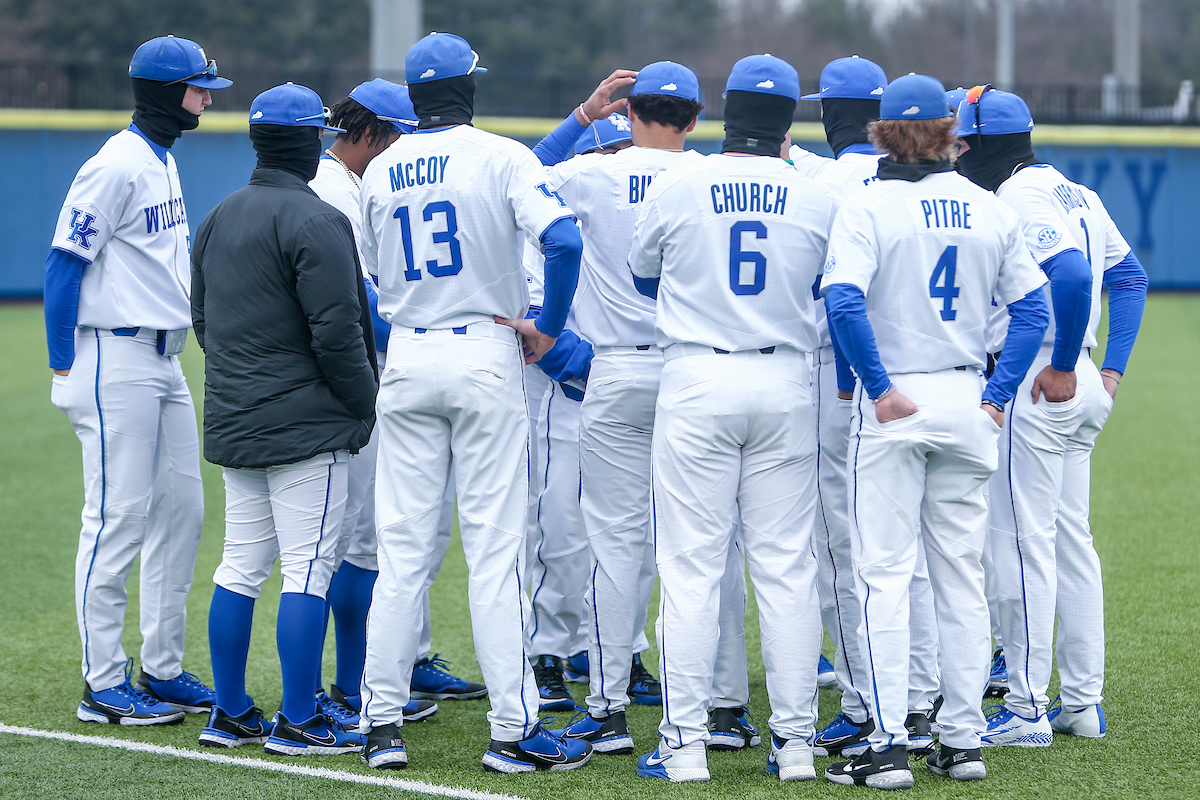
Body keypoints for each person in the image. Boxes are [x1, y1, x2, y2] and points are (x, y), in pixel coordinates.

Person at [358, 32, 588, 773]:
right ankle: (513, 730)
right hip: (484, 349)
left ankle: (381, 724)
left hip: (410, 353)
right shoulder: (502, 155)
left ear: (414, 97)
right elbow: (563, 243)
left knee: (402, 554)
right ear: (471, 88)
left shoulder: (381, 168)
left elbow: (366, 284)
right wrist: (549, 328)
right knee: (494, 556)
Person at [820, 74, 1050, 789]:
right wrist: (997, 397)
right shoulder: (987, 206)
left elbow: (844, 301)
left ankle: (889, 745)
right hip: (963, 396)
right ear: (950, 132)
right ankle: (962, 742)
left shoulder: (865, 203)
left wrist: (880, 388)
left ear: (879, 129)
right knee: (960, 579)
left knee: (885, 577)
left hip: (899, 400)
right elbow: (1034, 312)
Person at [629, 54, 837, 783]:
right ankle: (798, 745)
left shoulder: (680, 179)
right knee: (786, 569)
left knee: (690, 568)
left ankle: (685, 747)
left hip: (697, 373)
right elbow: (829, 287)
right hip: (785, 375)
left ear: (723, 113)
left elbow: (641, 271)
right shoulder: (815, 193)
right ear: (789, 122)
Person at [954, 87, 1147, 745]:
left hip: (1041, 376)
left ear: (981, 144)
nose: (956, 152)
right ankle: (1082, 703)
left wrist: (1064, 362)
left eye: (961, 141)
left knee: (1021, 543)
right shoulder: (1073, 192)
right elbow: (1131, 277)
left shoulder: (1019, 197)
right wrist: (1107, 367)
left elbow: (1067, 277)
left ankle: (1028, 706)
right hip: (1079, 380)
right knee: (1072, 543)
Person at [190, 83, 378, 754]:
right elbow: (339, 334)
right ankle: (299, 717)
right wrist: (364, 405)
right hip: (307, 425)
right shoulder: (318, 219)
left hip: (237, 417)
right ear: (311, 142)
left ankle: (231, 711)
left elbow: (204, 323)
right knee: (307, 568)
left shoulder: (219, 215)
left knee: (239, 567)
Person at [45, 34, 227, 725]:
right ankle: (101, 683)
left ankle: (163, 666)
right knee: (116, 517)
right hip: (110, 357)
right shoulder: (115, 164)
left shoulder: (161, 158)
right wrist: (63, 363)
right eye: (198, 86)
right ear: (162, 92)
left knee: (182, 511)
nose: (207, 97)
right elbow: (65, 264)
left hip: (162, 357)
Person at [308, 78, 472, 730]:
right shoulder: (337, 194)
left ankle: (386, 667)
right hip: (351, 381)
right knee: (357, 542)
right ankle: (352, 686)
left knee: (375, 537)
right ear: (374, 132)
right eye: (400, 135)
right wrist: (428, 338)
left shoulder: (351, 185)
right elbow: (360, 308)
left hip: (365, 375)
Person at [800, 56, 941, 759]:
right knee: (912, 552)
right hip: (933, 376)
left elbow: (819, 292)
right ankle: (923, 696)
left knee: (845, 550)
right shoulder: (937, 185)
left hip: (844, 379)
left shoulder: (823, 182)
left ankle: (863, 703)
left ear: (832, 114)